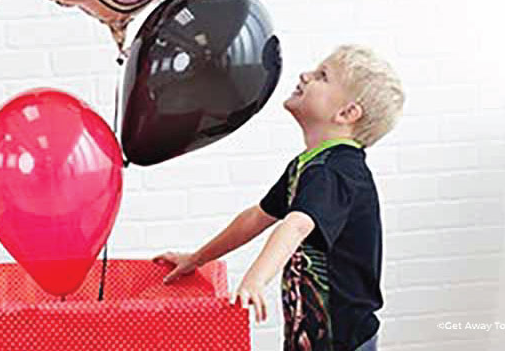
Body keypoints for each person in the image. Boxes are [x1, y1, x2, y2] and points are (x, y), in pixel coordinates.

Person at [154, 45, 404, 351]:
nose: (305, 75)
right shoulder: (309, 164)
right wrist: (197, 258)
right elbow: (257, 217)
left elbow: (296, 225)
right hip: (310, 336)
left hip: (343, 341)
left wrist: (256, 279)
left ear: (347, 113)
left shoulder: (337, 170)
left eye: (322, 76)